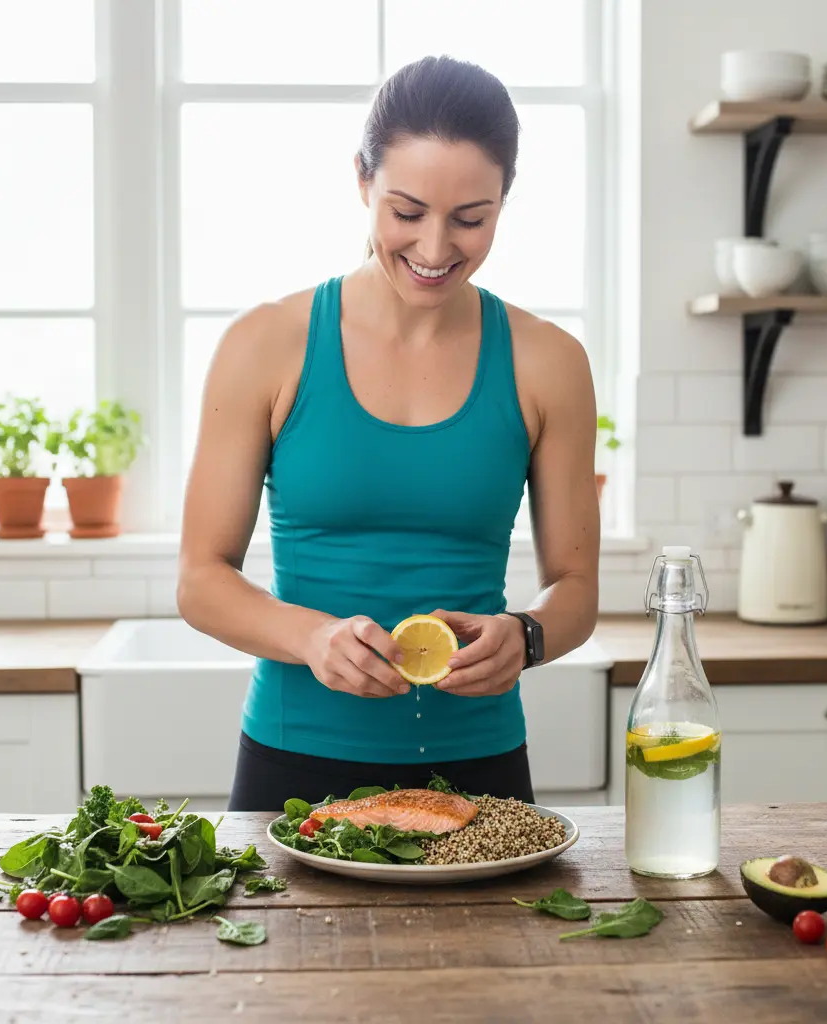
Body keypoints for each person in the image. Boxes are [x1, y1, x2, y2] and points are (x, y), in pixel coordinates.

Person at [177, 55, 600, 812]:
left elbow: (576, 588)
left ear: (506, 198)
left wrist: (527, 636)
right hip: (294, 766)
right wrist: (311, 639)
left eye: (472, 218)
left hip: (482, 769)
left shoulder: (550, 363)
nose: (436, 249)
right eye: (407, 212)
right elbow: (201, 580)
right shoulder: (266, 344)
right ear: (362, 181)